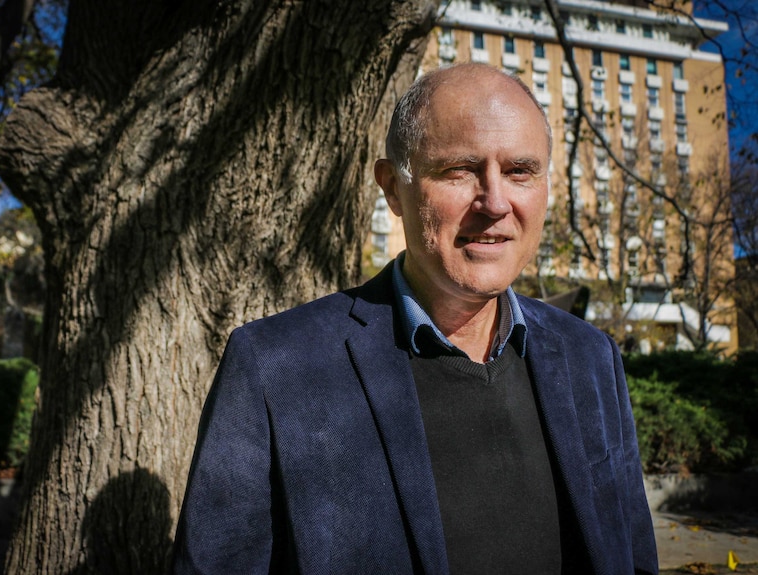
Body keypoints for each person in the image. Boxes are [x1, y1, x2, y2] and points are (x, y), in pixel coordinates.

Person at [171, 63, 658, 575]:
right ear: (391, 188)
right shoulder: (275, 367)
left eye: (520, 171)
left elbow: (634, 555)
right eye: (459, 170)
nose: (495, 203)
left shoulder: (591, 357)